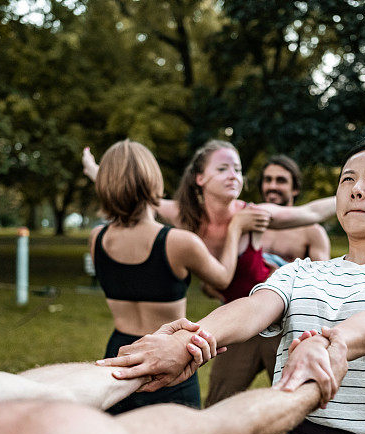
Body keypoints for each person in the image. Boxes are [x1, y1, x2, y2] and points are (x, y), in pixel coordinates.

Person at [0, 88, 348, 434]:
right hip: (176, 351)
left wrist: (144, 360)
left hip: (131, 348)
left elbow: (30, 387)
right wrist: (303, 385)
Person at [99, 135, 365, 434]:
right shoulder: (302, 271)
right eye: (347, 179)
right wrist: (187, 339)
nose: (356, 189)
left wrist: (333, 343)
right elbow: (253, 309)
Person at [84, 140, 337, 405]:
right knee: (217, 403)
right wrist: (97, 172)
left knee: (299, 399)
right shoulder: (185, 215)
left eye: (238, 169)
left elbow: (310, 212)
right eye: (223, 168)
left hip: (276, 320)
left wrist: (353, 188)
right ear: (200, 178)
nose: (233, 175)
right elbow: (134, 188)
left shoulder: (254, 215)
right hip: (234, 323)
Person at [89, 139, 269, 413]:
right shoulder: (178, 242)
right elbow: (222, 280)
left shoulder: (96, 238)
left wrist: (96, 171)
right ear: (154, 181)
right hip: (168, 357)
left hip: (120, 354)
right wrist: (235, 229)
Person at [201, 154, 332, 406]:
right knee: (217, 402)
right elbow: (214, 278)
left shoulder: (311, 232)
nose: (272, 186)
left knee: (295, 402)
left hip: (286, 329)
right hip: (241, 326)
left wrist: (280, 277)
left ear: (294, 188)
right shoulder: (244, 222)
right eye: (268, 179)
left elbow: (322, 286)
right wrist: (217, 287)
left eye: (281, 180)